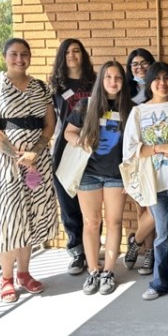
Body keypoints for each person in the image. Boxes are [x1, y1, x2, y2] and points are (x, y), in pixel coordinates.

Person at [0, 38, 58, 303]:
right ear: (5, 56)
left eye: (25, 54)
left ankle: (24, 273)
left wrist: (35, 151)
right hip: (4, 163)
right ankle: (6, 279)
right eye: (14, 54)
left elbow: (49, 124)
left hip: (37, 161)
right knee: (10, 218)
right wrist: (16, 155)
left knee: (31, 218)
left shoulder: (40, 87)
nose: (20, 59)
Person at [123, 62, 168, 305]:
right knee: (162, 235)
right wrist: (159, 148)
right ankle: (159, 282)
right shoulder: (139, 112)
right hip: (154, 183)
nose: (162, 83)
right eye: (157, 78)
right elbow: (130, 150)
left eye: (167, 78)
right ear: (149, 82)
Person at [64, 60, 133, 295]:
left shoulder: (131, 108)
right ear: (101, 80)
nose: (113, 82)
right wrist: (79, 141)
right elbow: (68, 131)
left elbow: (135, 145)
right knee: (91, 223)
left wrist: (131, 177)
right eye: (109, 77)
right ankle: (93, 270)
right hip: (88, 173)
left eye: (118, 78)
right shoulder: (86, 105)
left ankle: (109, 271)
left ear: (123, 82)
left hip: (116, 175)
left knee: (114, 223)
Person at [49, 38, 96, 275]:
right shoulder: (56, 85)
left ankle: (91, 250)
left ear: (83, 55)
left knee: (90, 199)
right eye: (67, 52)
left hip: (92, 146)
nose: (72, 55)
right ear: (62, 56)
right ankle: (76, 251)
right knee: (68, 199)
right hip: (65, 146)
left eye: (76, 51)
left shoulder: (94, 81)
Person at [123, 48, 156, 275]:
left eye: (144, 63)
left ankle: (136, 242)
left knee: (155, 210)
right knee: (142, 209)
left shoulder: (160, 91)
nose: (139, 68)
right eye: (135, 65)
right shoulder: (125, 96)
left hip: (157, 160)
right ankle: (148, 253)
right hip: (135, 160)